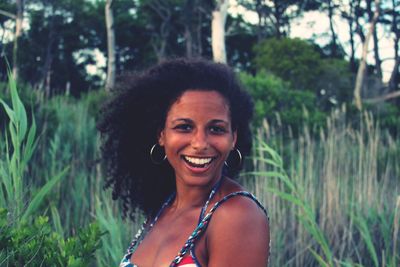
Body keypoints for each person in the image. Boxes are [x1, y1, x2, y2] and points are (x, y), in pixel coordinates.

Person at [98, 58, 270, 267]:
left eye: (216, 129)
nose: (200, 143)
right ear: (161, 135)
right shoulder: (164, 208)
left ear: (233, 138)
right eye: (184, 127)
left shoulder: (237, 215)